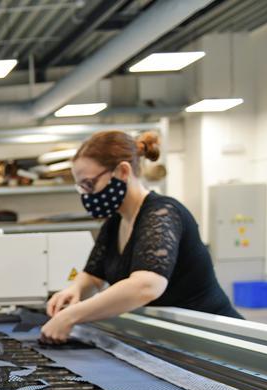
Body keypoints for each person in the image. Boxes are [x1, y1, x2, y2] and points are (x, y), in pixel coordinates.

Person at [40, 130, 242, 344]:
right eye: (81, 187)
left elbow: (146, 285)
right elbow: (94, 274)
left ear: (122, 171)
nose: (86, 194)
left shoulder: (163, 213)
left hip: (216, 338)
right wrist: (75, 289)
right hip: (176, 338)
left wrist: (72, 316)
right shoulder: (116, 221)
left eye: (89, 184)